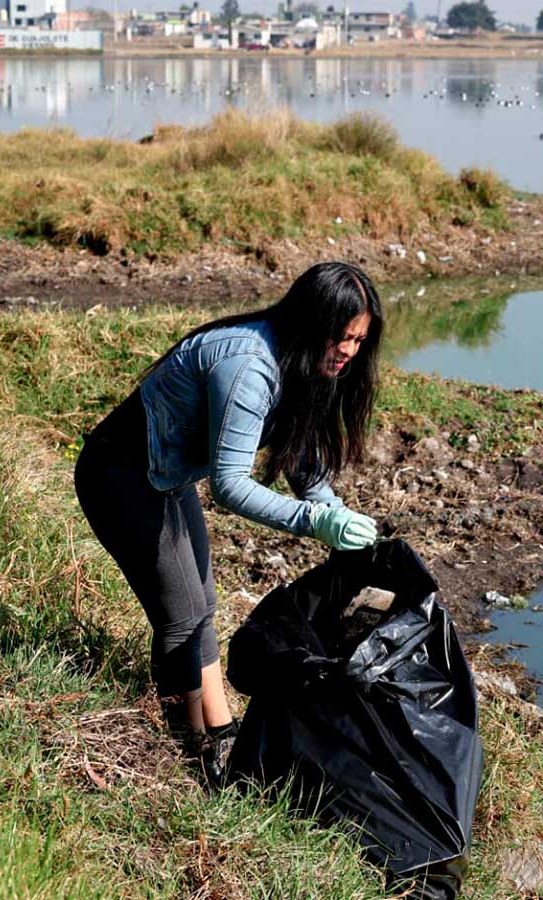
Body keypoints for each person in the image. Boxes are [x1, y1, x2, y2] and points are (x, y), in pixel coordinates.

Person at [74, 262, 383, 787]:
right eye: (343, 338)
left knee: (203, 606)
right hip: (119, 475)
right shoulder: (249, 366)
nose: (349, 351)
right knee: (181, 615)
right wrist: (315, 521)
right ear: (312, 324)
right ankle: (185, 749)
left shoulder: (303, 359)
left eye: (359, 340)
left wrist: (333, 508)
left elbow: (301, 455)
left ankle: (218, 732)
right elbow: (231, 485)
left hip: (165, 478)